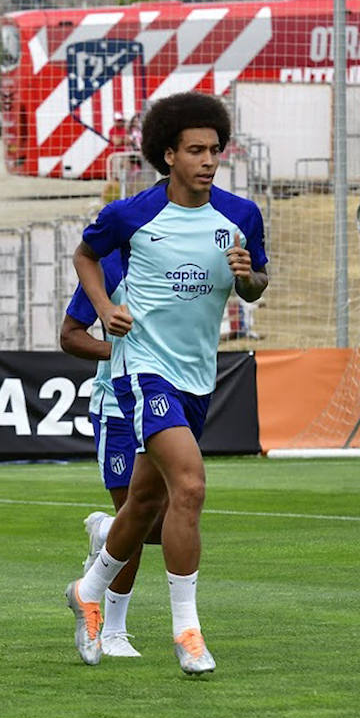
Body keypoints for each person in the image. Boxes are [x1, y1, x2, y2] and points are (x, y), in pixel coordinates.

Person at [64, 91, 269, 675]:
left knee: (145, 501)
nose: (208, 160)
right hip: (140, 368)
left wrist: (248, 277)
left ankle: (88, 588)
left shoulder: (241, 216)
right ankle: (188, 632)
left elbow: (255, 288)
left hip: (197, 374)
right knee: (191, 485)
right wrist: (104, 306)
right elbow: (84, 255)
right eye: (196, 150)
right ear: (168, 155)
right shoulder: (131, 215)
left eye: (215, 150)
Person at [59, 249, 154, 658]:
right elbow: (70, 335)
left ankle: (106, 531)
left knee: (158, 526)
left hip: (166, 401)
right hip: (116, 407)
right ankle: (113, 630)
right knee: (136, 513)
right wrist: (117, 353)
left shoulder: (179, 257)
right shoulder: (109, 265)